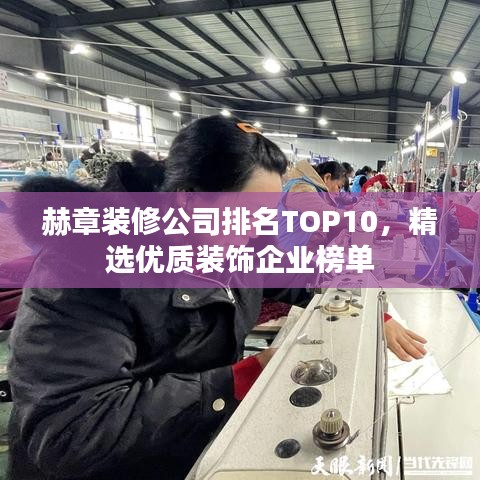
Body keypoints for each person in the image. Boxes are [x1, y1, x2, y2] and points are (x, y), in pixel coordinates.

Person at [8, 118, 427, 480]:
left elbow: (298, 276)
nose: (258, 230)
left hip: (190, 442)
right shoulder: (82, 268)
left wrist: (370, 312)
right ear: (188, 197)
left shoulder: (231, 240)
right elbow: (70, 430)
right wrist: (240, 378)